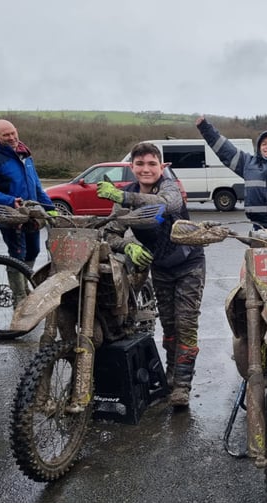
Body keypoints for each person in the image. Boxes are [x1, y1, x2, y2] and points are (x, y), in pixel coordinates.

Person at [97, 142, 206, 408]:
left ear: (161, 166)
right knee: (169, 326)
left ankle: (182, 386)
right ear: (132, 167)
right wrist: (128, 245)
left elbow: (168, 205)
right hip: (160, 267)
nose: (146, 169)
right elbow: (110, 233)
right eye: (140, 164)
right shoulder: (127, 194)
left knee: (186, 324)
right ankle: (171, 376)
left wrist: (124, 198)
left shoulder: (169, 187)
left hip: (189, 264)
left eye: (151, 164)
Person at [0, 119, 57, 302]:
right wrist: (10, 200)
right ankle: (19, 298)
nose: (12, 137)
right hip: (10, 216)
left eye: (13, 133)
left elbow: (36, 186)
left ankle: (24, 284)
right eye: (6, 135)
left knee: (33, 251)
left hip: (30, 215)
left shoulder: (24, 153)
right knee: (17, 255)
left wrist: (50, 209)